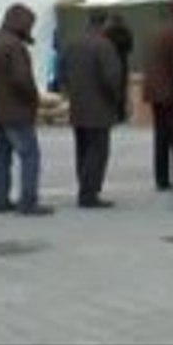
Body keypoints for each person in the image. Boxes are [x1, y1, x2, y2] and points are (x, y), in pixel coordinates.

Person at [0, 3, 52, 216]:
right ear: (20, 22)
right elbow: (22, 79)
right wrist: (34, 98)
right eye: (29, 25)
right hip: (16, 110)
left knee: (2, 155)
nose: (30, 29)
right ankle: (28, 201)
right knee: (30, 154)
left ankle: (0, 199)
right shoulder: (14, 46)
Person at [60, 11, 123, 209]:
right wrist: (116, 99)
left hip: (78, 105)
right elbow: (112, 77)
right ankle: (89, 193)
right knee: (98, 151)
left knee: (82, 149)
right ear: (104, 24)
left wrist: (71, 91)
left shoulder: (72, 44)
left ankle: (84, 187)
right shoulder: (104, 46)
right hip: (99, 107)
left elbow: (62, 72)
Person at [142, 5, 173, 191]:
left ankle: (161, 178)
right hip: (171, 92)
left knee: (161, 137)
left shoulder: (156, 31)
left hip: (155, 91)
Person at [103, 14, 134, 122]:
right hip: (122, 63)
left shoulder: (107, 33)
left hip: (109, 63)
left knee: (109, 89)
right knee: (121, 89)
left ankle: (111, 113)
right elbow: (130, 48)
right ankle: (121, 114)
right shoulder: (126, 33)